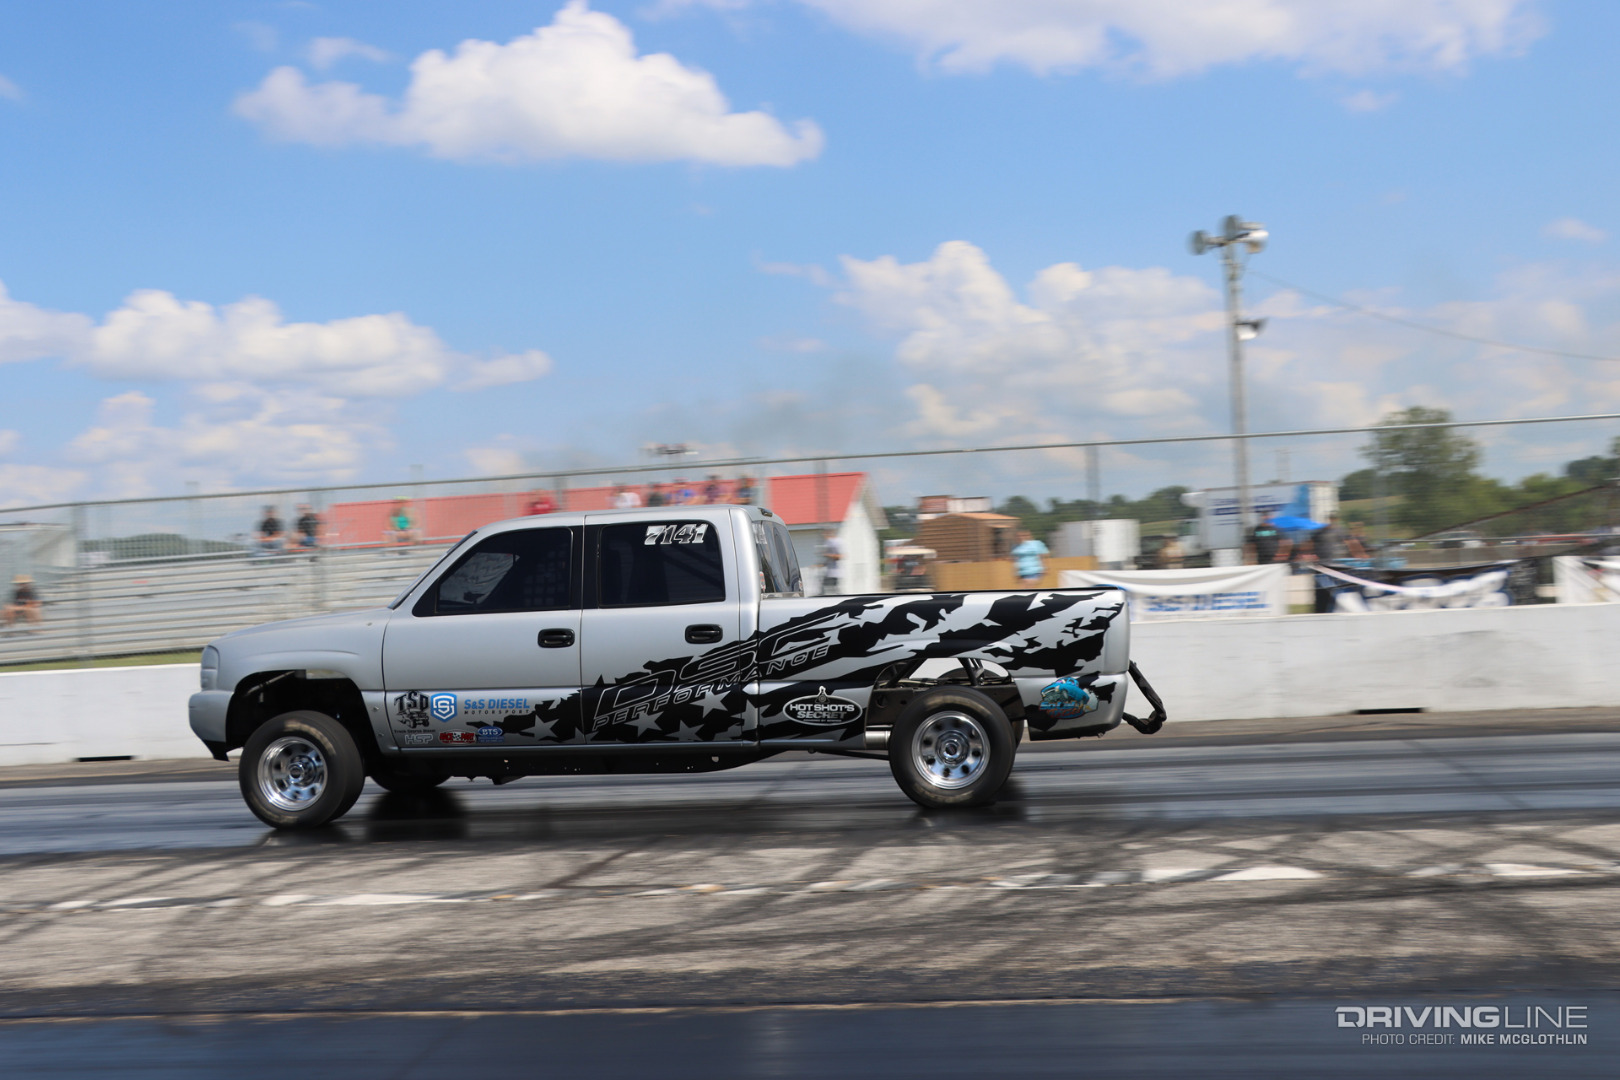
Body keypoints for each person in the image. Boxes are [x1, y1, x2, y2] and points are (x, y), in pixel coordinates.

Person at [819, 530, 843, 595]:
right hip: (830, 572)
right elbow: (829, 560)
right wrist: (822, 565)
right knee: (824, 587)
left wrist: (827, 555)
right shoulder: (829, 543)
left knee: (834, 589)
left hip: (835, 572)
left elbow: (839, 556)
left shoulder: (836, 543)